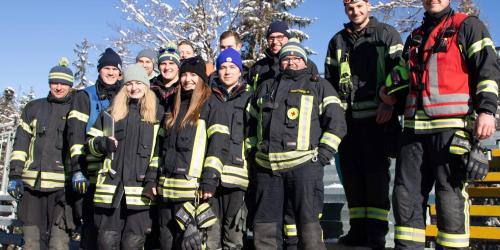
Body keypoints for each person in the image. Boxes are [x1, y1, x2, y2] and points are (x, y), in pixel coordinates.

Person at [387, 0, 499, 249]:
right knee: (405, 197)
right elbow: (405, 80)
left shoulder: (468, 26)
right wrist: (389, 96)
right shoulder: (414, 37)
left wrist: (487, 110)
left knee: (449, 197)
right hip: (414, 130)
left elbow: (487, 70)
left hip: (452, 129)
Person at [247, 39, 346, 249]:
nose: (291, 62)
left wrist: (322, 156)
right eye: (286, 58)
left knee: (308, 227)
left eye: (296, 58)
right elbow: (250, 122)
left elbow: (337, 122)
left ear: (304, 61)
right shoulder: (265, 87)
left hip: (304, 168)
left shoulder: (319, 86)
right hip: (267, 170)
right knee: (264, 227)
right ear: (280, 62)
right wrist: (253, 152)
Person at [323, 0, 404, 248]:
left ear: (369, 5)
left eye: (359, 6)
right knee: (352, 177)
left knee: (376, 178)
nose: (355, 12)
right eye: (350, 8)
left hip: (378, 121)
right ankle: (358, 229)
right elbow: (330, 83)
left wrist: (390, 103)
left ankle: (377, 233)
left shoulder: (386, 34)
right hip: (348, 124)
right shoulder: (337, 41)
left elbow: (400, 71)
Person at [143, 56, 229, 250]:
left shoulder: (212, 105)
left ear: (202, 79)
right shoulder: (173, 106)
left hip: (193, 193)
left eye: (193, 75)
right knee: (166, 243)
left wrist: (210, 179)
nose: (188, 79)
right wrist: (151, 179)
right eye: (184, 75)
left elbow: (219, 146)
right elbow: (159, 149)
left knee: (191, 245)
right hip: (166, 192)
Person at [84, 63, 162, 249]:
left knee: (132, 243)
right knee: (106, 242)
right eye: (129, 83)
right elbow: (89, 147)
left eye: (139, 83)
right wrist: (102, 144)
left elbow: (161, 152)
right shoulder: (110, 113)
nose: (134, 88)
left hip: (140, 194)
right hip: (111, 191)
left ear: (146, 85)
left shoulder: (158, 114)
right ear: (123, 86)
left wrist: (152, 179)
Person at [8, 58, 77, 249]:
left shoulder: (76, 109)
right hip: (31, 187)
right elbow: (20, 144)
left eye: (63, 83)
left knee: (58, 243)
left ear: (70, 85)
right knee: (31, 242)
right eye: (55, 82)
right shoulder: (33, 108)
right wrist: (15, 175)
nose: (58, 87)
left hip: (62, 189)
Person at [67, 47, 122, 249]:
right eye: (106, 68)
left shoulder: (124, 94)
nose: (110, 72)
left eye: (114, 69)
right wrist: (77, 169)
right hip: (89, 174)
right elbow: (75, 135)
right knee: (91, 229)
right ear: (99, 70)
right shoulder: (85, 96)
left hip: (114, 173)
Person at [201, 48, 252, 250]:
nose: (227, 71)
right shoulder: (207, 98)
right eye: (223, 67)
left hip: (238, 180)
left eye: (232, 67)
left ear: (240, 71)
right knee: (209, 238)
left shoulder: (250, 98)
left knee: (234, 239)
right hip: (209, 180)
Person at [248, 21, 319, 90]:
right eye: (271, 38)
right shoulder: (258, 67)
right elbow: (248, 93)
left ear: (288, 38)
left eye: (279, 37)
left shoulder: (306, 65)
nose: (275, 42)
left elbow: (317, 90)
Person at [150, 43, 181, 110]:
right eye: (163, 64)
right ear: (158, 67)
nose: (167, 67)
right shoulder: (149, 88)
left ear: (178, 67)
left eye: (171, 63)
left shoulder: (184, 88)